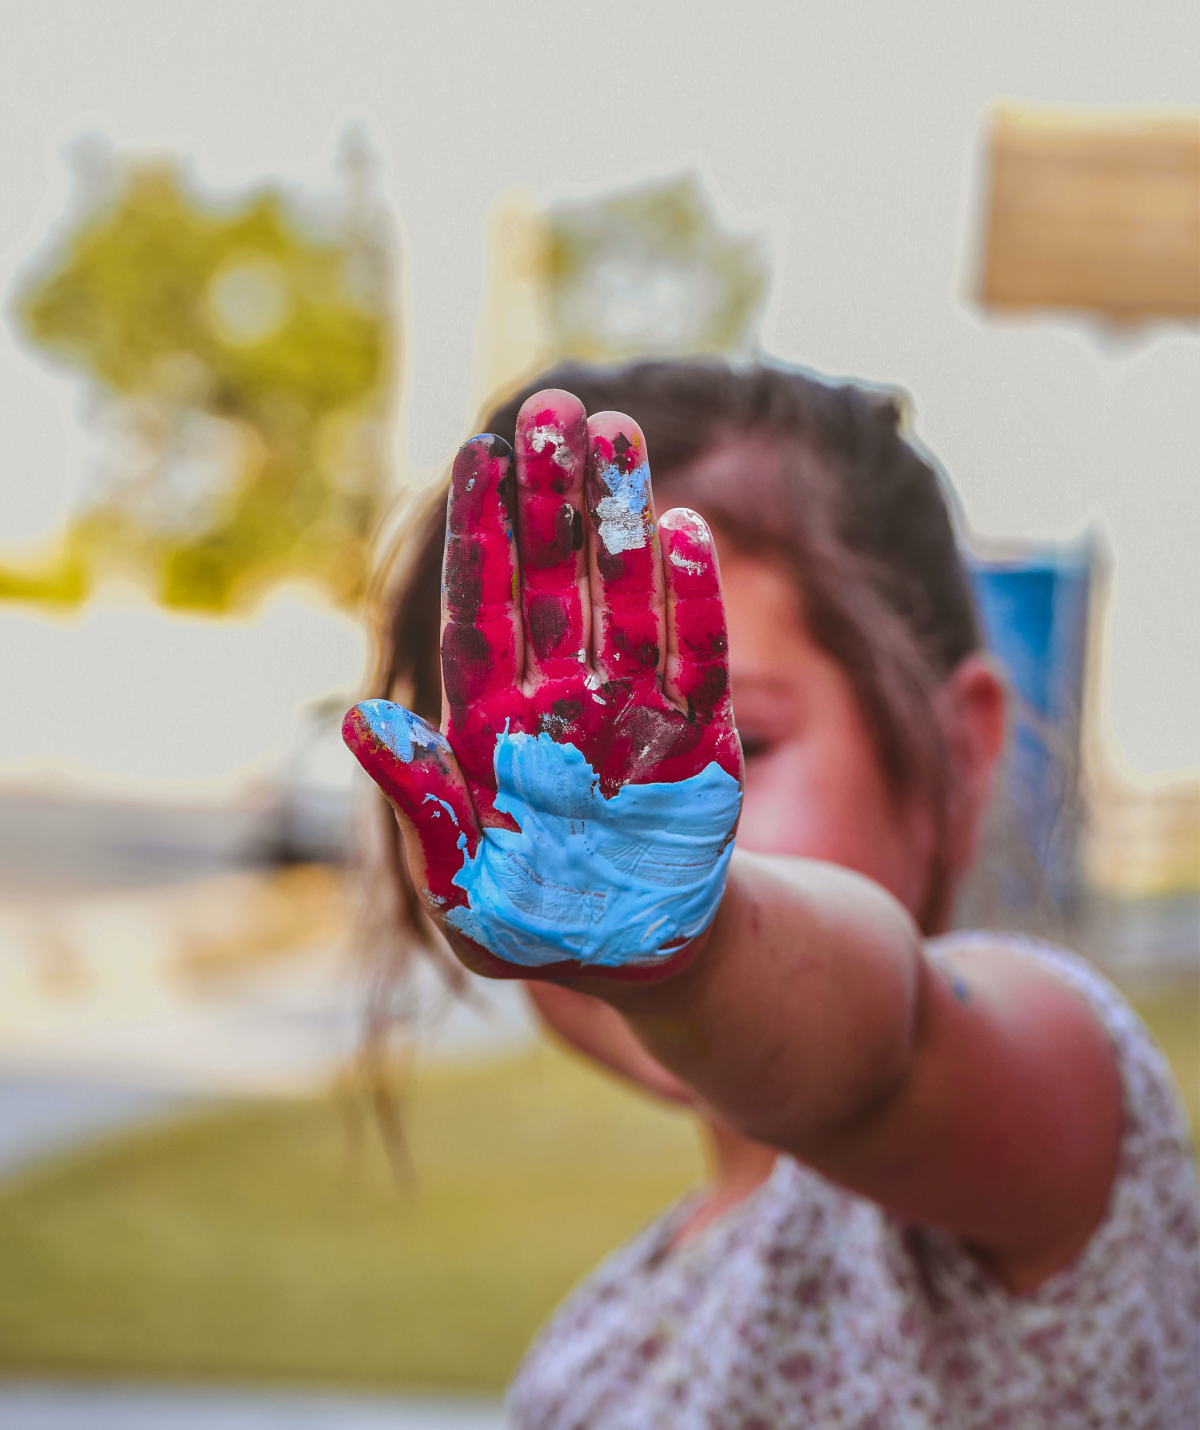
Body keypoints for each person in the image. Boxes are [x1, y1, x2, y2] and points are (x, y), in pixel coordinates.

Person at [344, 360, 1199, 1427]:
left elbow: (882, 1048)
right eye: (514, 764)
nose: (600, 809)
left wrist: (686, 944)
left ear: (956, 753)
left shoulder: (1046, 1127)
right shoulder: (606, 1329)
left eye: (740, 740)